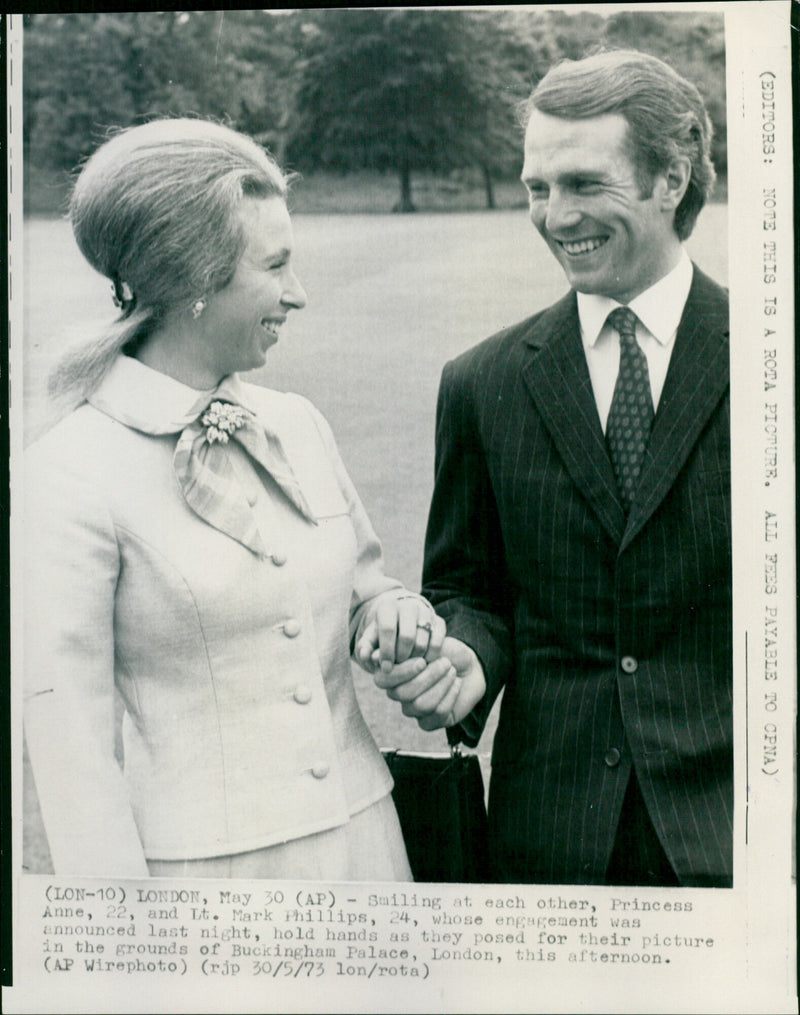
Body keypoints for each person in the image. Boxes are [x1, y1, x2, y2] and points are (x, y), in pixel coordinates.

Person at [23, 117, 445, 880]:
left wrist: (390, 614)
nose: (300, 293)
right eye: (275, 266)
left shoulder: (298, 424)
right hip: (210, 886)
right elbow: (73, 753)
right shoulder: (69, 472)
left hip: (368, 851)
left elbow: (361, 592)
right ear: (190, 274)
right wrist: (124, 954)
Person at [378, 49, 732, 887]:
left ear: (671, 178)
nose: (553, 214)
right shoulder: (482, 382)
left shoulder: (774, 359)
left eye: (582, 184)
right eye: (538, 187)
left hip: (742, 837)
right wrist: (464, 655)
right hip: (550, 840)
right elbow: (468, 588)